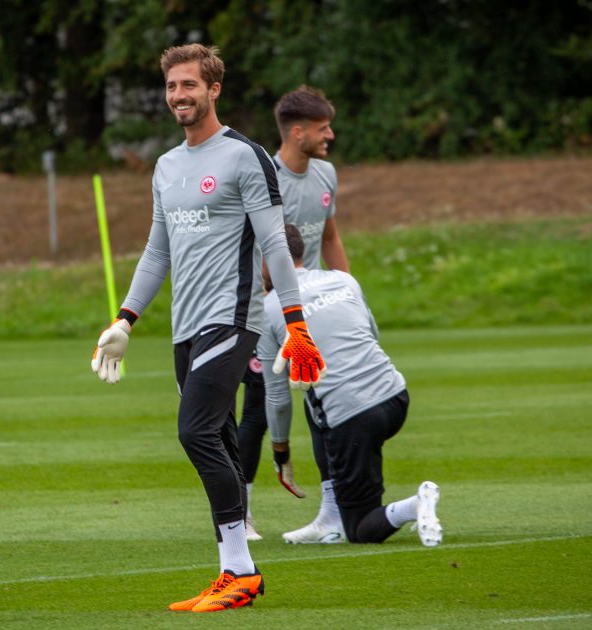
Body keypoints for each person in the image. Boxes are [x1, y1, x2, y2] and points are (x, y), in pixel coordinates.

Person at [90, 44, 326, 613]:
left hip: (233, 317)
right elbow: (156, 252)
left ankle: (241, 572)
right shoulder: (167, 166)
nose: (179, 96)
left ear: (214, 88)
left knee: (194, 432)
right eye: (171, 87)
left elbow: (274, 242)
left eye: (189, 85)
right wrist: (125, 318)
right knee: (216, 438)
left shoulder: (246, 156)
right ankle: (234, 571)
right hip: (184, 328)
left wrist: (294, 324)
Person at [258, 225, 441, 546]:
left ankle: (415, 504)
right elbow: (371, 333)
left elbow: (276, 396)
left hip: (354, 419)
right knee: (314, 398)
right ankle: (329, 516)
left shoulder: (270, 308)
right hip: (395, 396)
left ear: (267, 261)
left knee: (360, 530)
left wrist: (280, 448)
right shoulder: (343, 278)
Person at [238, 85, 352, 544]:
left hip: (316, 309)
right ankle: (239, 514)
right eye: (323, 128)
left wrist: (348, 291)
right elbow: (249, 248)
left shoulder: (325, 174)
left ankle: (329, 513)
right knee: (258, 411)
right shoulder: (264, 176)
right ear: (298, 131)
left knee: (323, 407)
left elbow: (329, 239)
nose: (330, 136)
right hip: (265, 313)